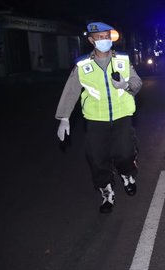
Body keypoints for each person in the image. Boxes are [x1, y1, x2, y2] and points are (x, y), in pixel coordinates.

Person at [55, 22, 143, 214]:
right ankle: (107, 192)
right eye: (100, 37)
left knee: (126, 153)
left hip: (122, 117)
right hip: (96, 120)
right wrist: (64, 118)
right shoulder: (82, 64)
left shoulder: (123, 60)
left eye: (107, 36)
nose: (104, 40)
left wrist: (125, 85)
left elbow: (137, 83)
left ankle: (127, 174)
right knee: (97, 158)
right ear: (91, 40)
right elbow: (71, 91)